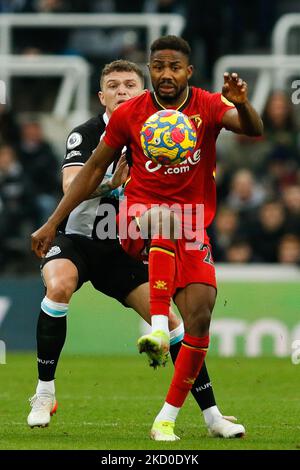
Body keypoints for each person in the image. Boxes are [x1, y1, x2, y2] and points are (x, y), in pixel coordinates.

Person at [31, 36, 263, 441]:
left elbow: (252, 128)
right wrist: (54, 221)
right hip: (94, 236)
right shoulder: (98, 128)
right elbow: (80, 176)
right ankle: (44, 390)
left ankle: (210, 415)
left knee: (194, 321)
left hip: (176, 231)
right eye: (158, 67)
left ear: (185, 73)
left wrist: (241, 102)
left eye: (129, 85)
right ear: (102, 95)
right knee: (61, 284)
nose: (124, 92)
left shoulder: (204, 105)